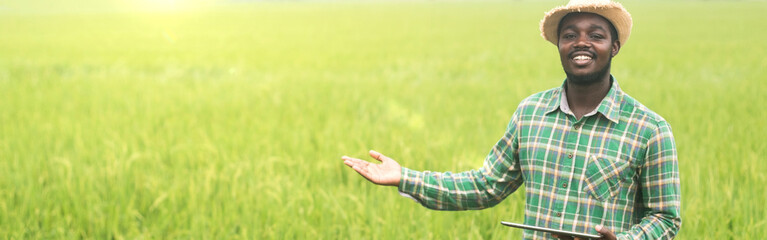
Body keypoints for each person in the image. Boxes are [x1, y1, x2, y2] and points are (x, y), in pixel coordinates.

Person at [341, 0, 681, 239]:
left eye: (596, 35)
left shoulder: (649, 130)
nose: (581, 43)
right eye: (569, 35)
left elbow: (665, 218)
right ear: (559, 45)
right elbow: (486, 185)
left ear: (615, 46)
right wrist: (405, 177)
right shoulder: (530, 114)